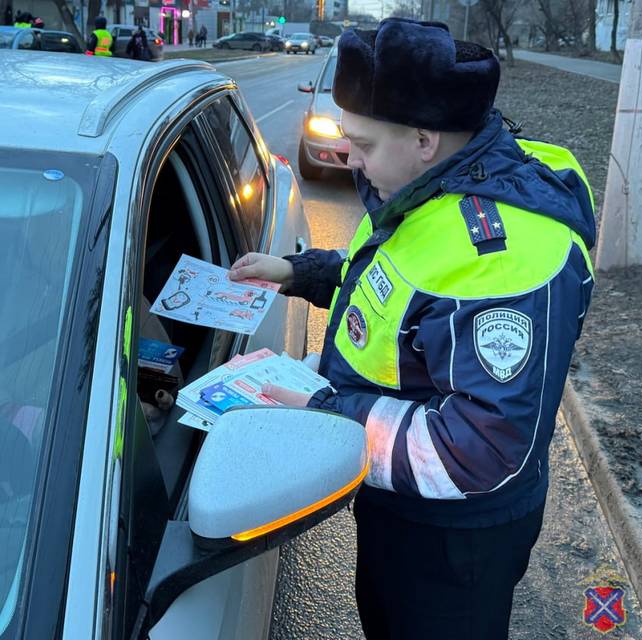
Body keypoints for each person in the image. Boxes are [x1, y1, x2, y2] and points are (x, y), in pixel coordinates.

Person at [229, 18, 596, 640]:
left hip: (452, 542)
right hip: (403, 499)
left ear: (424, 140)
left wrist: (327, 411)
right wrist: (299, 272)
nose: (351, 157)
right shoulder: (439, 184)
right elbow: (404, 285)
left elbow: (479, 448)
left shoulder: (500, 260)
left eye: (365, 145)